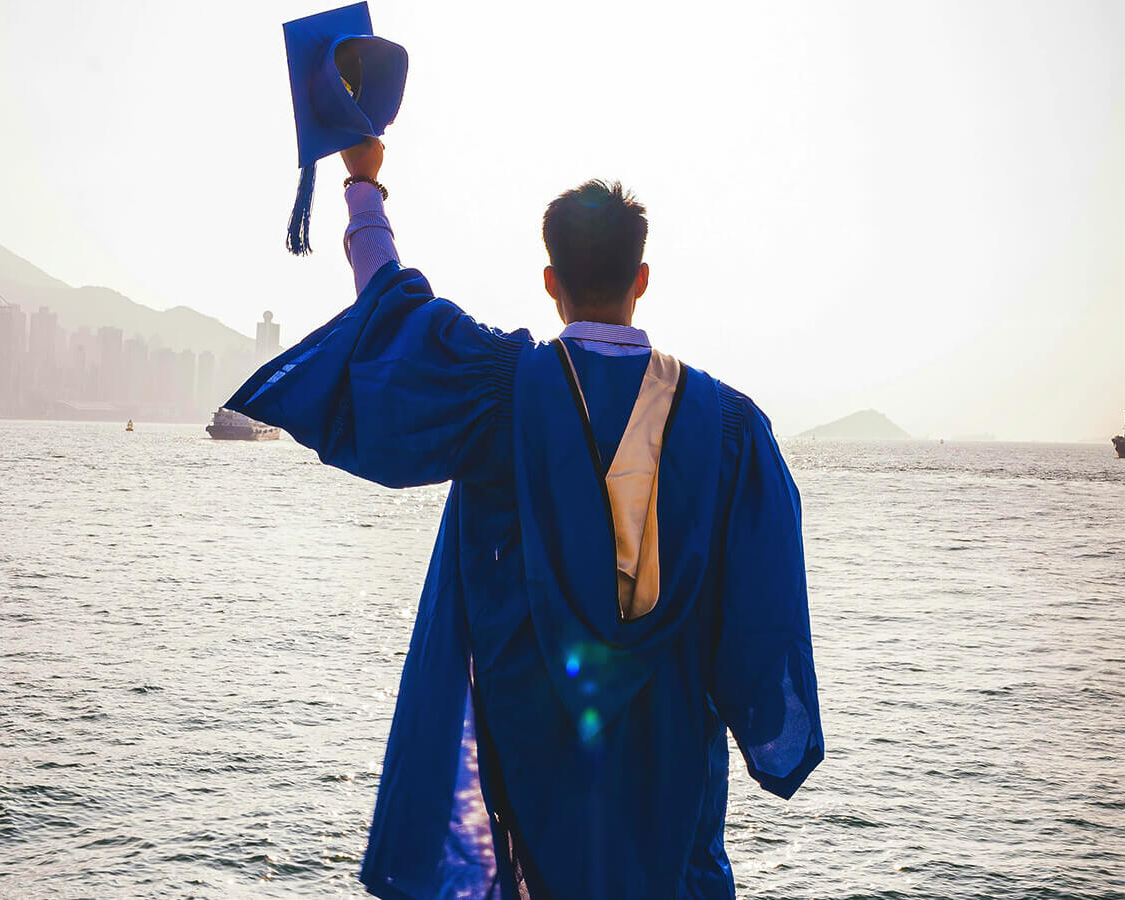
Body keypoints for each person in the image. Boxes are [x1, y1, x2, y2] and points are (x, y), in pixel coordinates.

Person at [226, 137, 823, 900]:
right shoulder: (729, 430)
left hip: (528, 765)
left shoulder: (501, 396)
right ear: (641, 279)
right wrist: (766, 726)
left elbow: (393, 323)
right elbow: (761, 635)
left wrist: (363, 184)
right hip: (668, 774)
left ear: (551, 282)